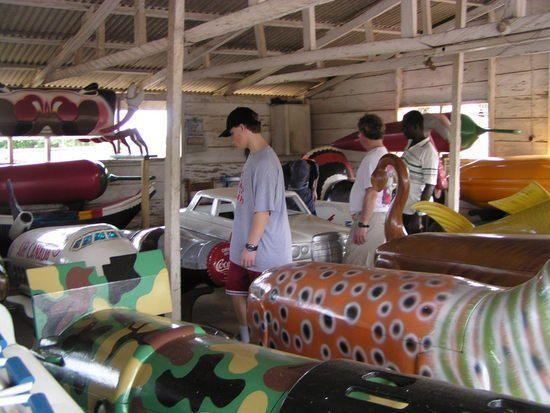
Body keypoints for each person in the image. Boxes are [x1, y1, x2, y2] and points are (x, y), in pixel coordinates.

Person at [219, 107, 292, 343]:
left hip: (263, 249)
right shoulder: (253, 157)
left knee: (263, 302)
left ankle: (264, 343)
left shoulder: (266, 163)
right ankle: (246, 338)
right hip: (244, 244)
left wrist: (251, 246)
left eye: (232, 133)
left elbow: (263, 210)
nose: (233, 140)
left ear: (242, 127)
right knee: (236, 292)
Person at [344, 114, 391, 267]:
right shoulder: (384, 154)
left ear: (365, 132)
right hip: (379, 216)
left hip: (371, 218)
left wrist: (363, 224)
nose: (359, 137)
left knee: (356, 265)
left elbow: (372, 193)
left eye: (359, 133)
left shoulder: (373, 159)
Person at [401, 110, 439, 234]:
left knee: (415, 243)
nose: (403, 131)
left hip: (415, 210)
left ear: (416, 126)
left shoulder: (428, 151)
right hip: (404, 205)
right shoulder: (410, 144)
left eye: (405, 127)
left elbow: (430, 185)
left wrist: (418, 215)